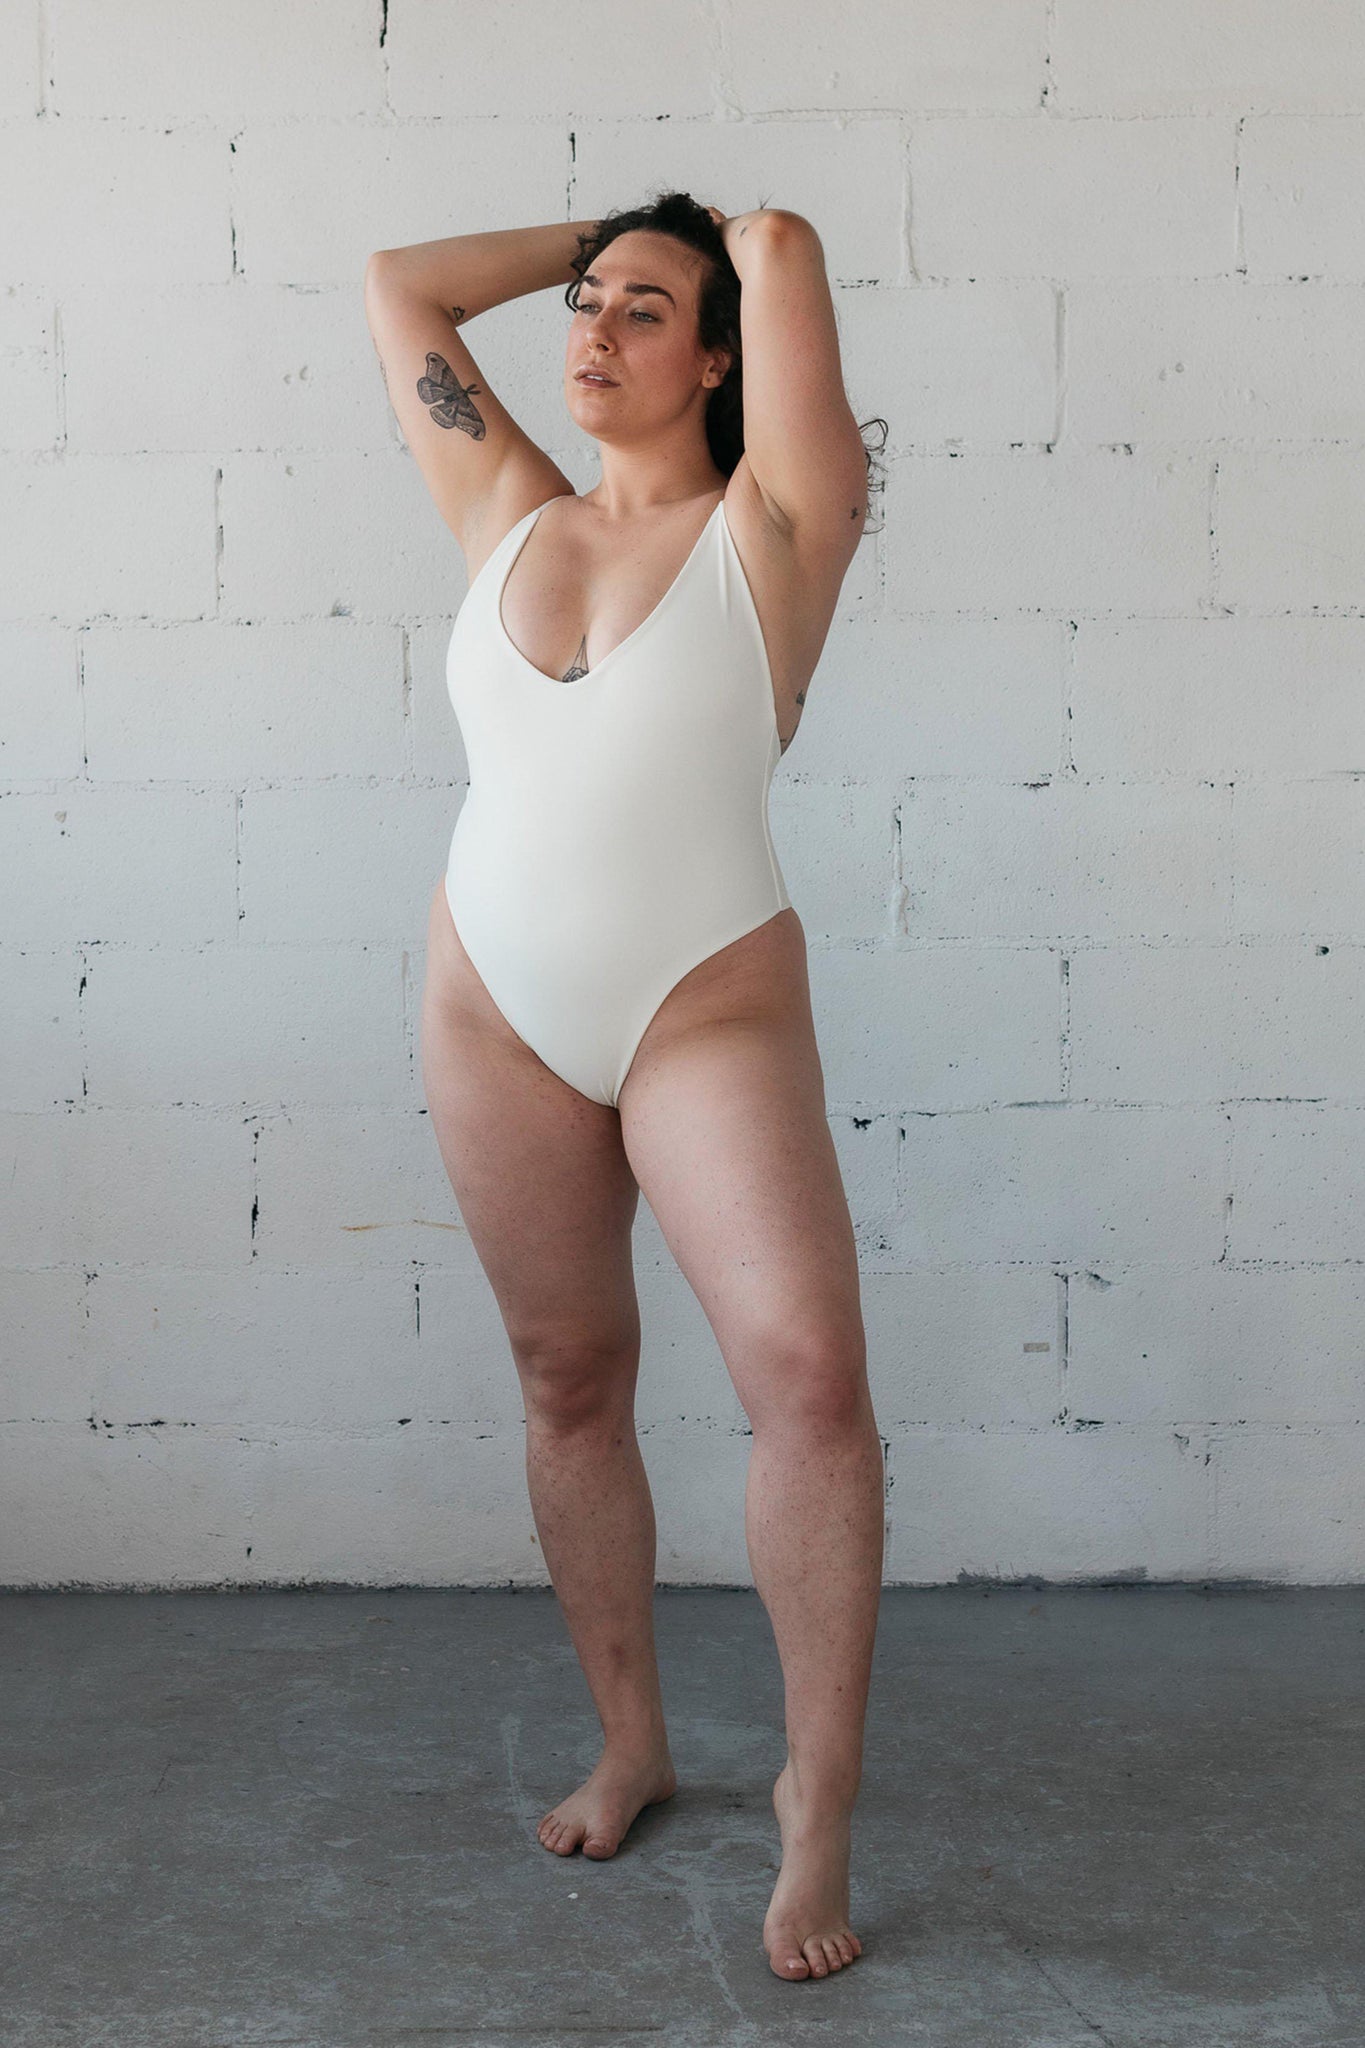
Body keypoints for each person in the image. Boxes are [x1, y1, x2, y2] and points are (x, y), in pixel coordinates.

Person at [363, 191, 885, 1984]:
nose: (585, 334)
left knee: (805, 1381)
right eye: (582, 309)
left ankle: (815, 1802)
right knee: (568, 1374)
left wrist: (735, 231)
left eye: (642, 313)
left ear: (719, 354)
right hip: (490, 1000)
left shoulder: (779, 523)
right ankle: (631, 1740)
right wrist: (601, 231)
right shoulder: (506, 506)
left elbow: (790, 249)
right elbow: (403, 286)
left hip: (702, 1006)